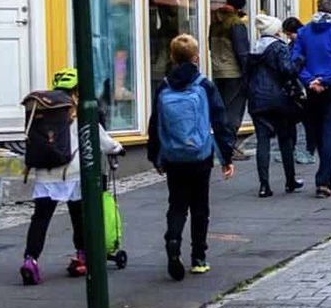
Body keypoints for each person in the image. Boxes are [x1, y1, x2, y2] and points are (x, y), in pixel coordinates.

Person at [19, 69, 123, 286]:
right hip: (72, 174)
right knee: (78, 215)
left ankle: (31, 259)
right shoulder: (79, 114)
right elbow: (102, 139)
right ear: (77, 91)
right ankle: (82, 256)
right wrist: (117, 148)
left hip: (45, 174)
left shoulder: (42, 112)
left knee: (40, 219)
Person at [147, 34, 235, 280]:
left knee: (176, 204)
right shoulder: (204, 85)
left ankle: (173, 241)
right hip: (200, 156)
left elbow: (155, 124)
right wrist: (226, 157)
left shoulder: (164, 86)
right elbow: (220, 120)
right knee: (200, 207)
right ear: (196, 57)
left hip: (174, 156)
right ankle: (199, 257)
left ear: (173, 58)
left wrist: (155, 156)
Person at [291, 0, 331, 198]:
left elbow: (296, 61)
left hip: (312, 89)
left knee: (319, 132)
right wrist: (326, 80)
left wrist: (310, 81)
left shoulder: (304, 32)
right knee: (330, 132)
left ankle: (328, 175)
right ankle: (324, 181)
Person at [247, 14, 304, 198]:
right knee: (285, 140)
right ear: (274, 31)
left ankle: (264, 186)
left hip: (257, 100)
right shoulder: (279, 47)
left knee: (262, 142)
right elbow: (287, 71)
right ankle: (290, 180)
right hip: (278, 100)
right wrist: (299, 62)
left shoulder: (255, 48)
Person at [209, 0, 250, 158]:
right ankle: (229, 146)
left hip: (218, 71)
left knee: (221, 109)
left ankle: (221, 144)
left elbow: (210, 46)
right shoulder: (236, 23)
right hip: (234, 72)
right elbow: (242, 52)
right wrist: (248, 73)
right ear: (240, 6)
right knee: (234, 110)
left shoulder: (215, 21)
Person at [283, 16, 315, 164]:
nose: (289, 37)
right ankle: (292, 149)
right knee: (292, 120)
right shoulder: (293, 45)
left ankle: (310, 150)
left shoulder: (305, 44)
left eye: (290, 34)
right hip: (296, 88)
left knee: (309, 121)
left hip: (306, 85)